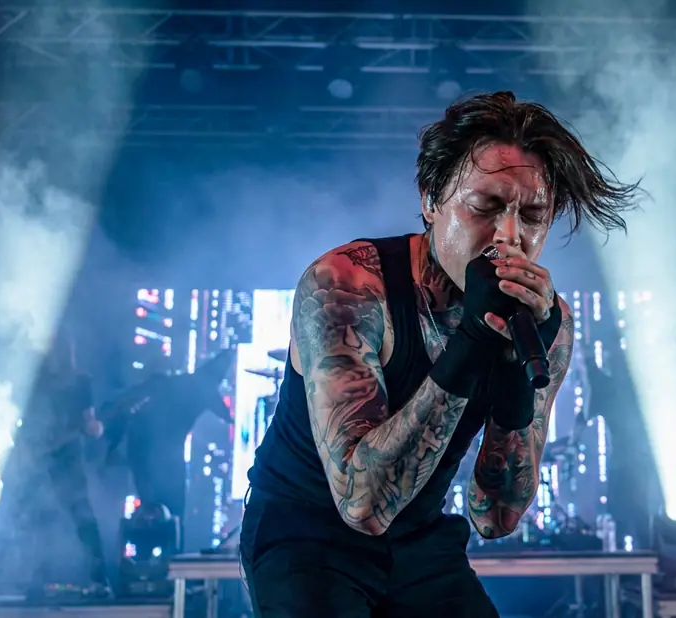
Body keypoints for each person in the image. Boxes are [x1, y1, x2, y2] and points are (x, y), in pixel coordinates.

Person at [242, 91, 640, 617]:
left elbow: (495, 515)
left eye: (534, 215)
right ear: (432, 200)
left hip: (421, 536)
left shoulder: (547, 324)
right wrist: (470, 343)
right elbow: (361, 505)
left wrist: (516, 380)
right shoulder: (348, 286)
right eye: (485, 207)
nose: (509, 237)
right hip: (306, 534)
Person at [0, 333, 111, 598]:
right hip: (34, 455)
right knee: (19, 515)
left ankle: (99, 578)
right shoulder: (35, 381)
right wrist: (23, 449)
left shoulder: (81, 382)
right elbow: (17, 417)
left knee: (82, 515)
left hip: (66, 458)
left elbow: (90, 422)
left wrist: (95, 429)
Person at [102, 350, 235, 527]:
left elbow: (122, 404)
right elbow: (223, 412)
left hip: (143, 455)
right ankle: (167, 539)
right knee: (172, 514)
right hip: (159, 459)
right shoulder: (200, 388)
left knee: (154, 506)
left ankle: (150, 536)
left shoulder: (169, 385)